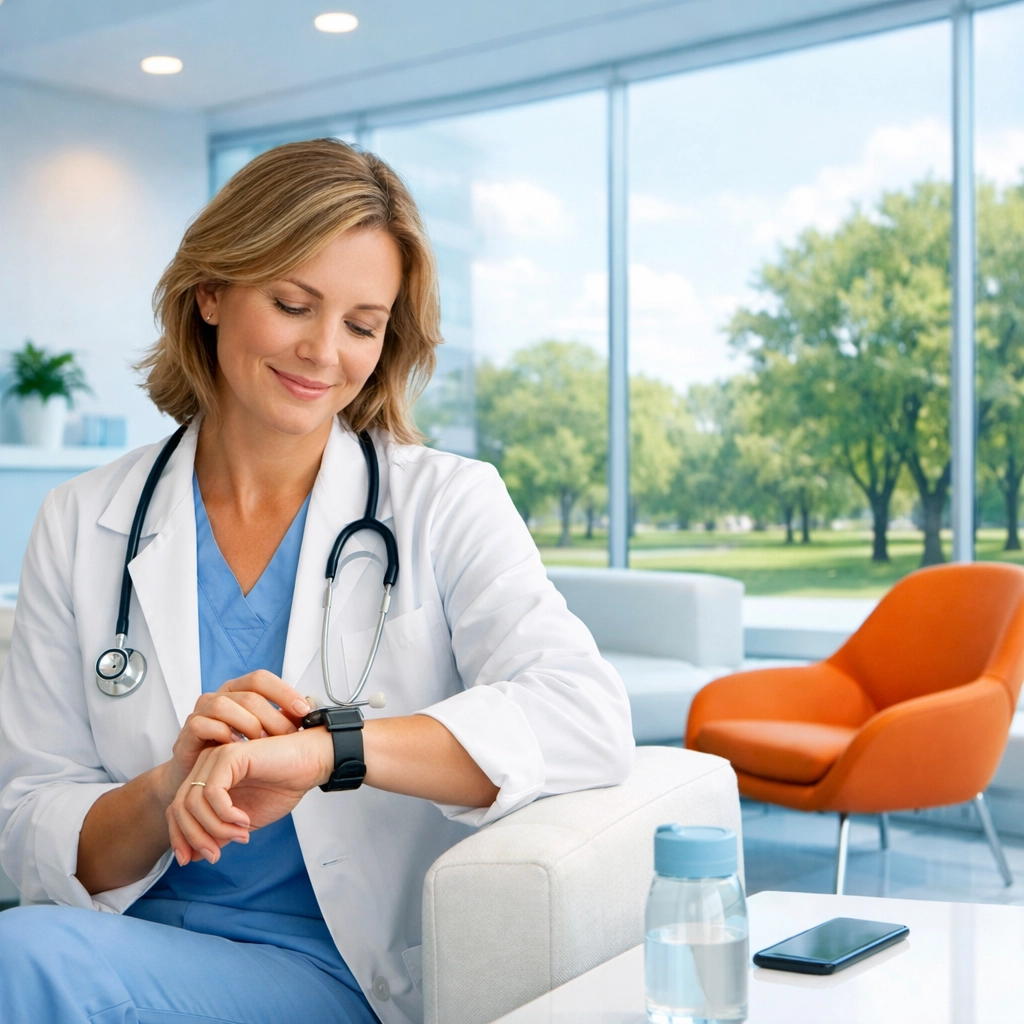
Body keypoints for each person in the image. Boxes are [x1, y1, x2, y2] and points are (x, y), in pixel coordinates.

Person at [0, 138, 633, 1024]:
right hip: (114, 943)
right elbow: (28, 824)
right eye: (293, 303)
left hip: (329, 971)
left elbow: (584, 714)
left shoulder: (443, 501)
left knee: (22, 961)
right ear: (210, 292)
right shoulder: (81, 519)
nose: (322, 352)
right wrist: (165, 787)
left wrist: (328, 750)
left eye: (362, 325)